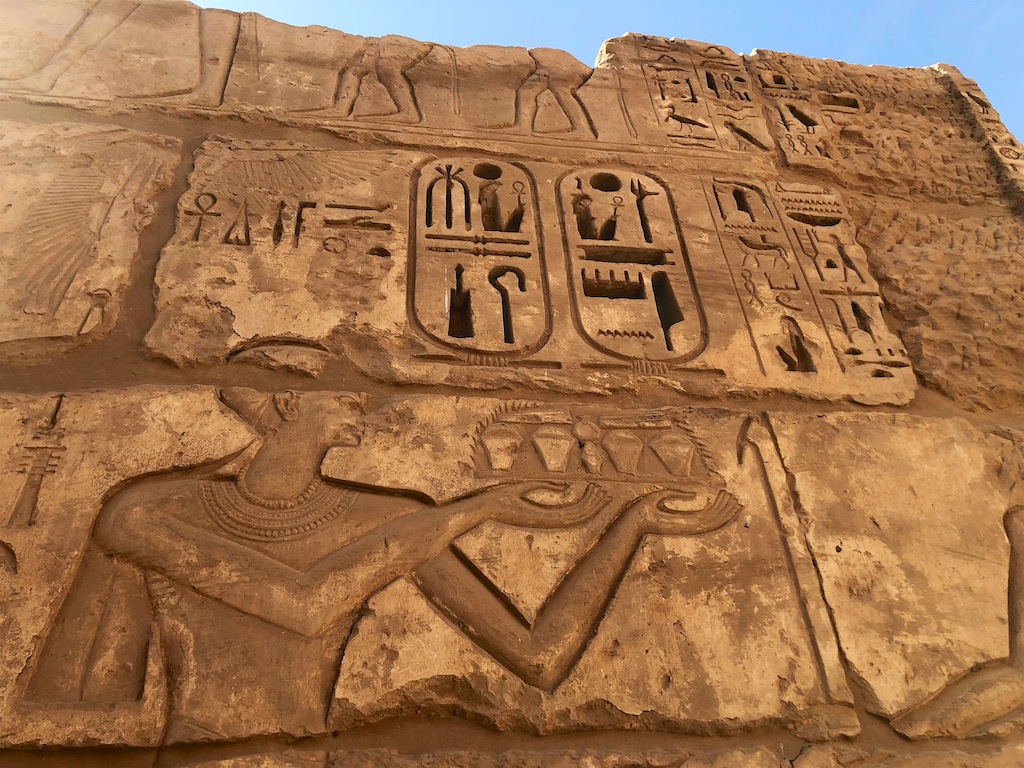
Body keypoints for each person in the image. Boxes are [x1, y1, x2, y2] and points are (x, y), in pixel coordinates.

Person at [25, 388, 736, 741]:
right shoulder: (148, 511)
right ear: (287, 402)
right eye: (348, 395)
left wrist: (628, 527)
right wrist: (469, 512)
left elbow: (540, 660)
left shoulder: (391, 518)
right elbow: (303, 605)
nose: (373, 412)